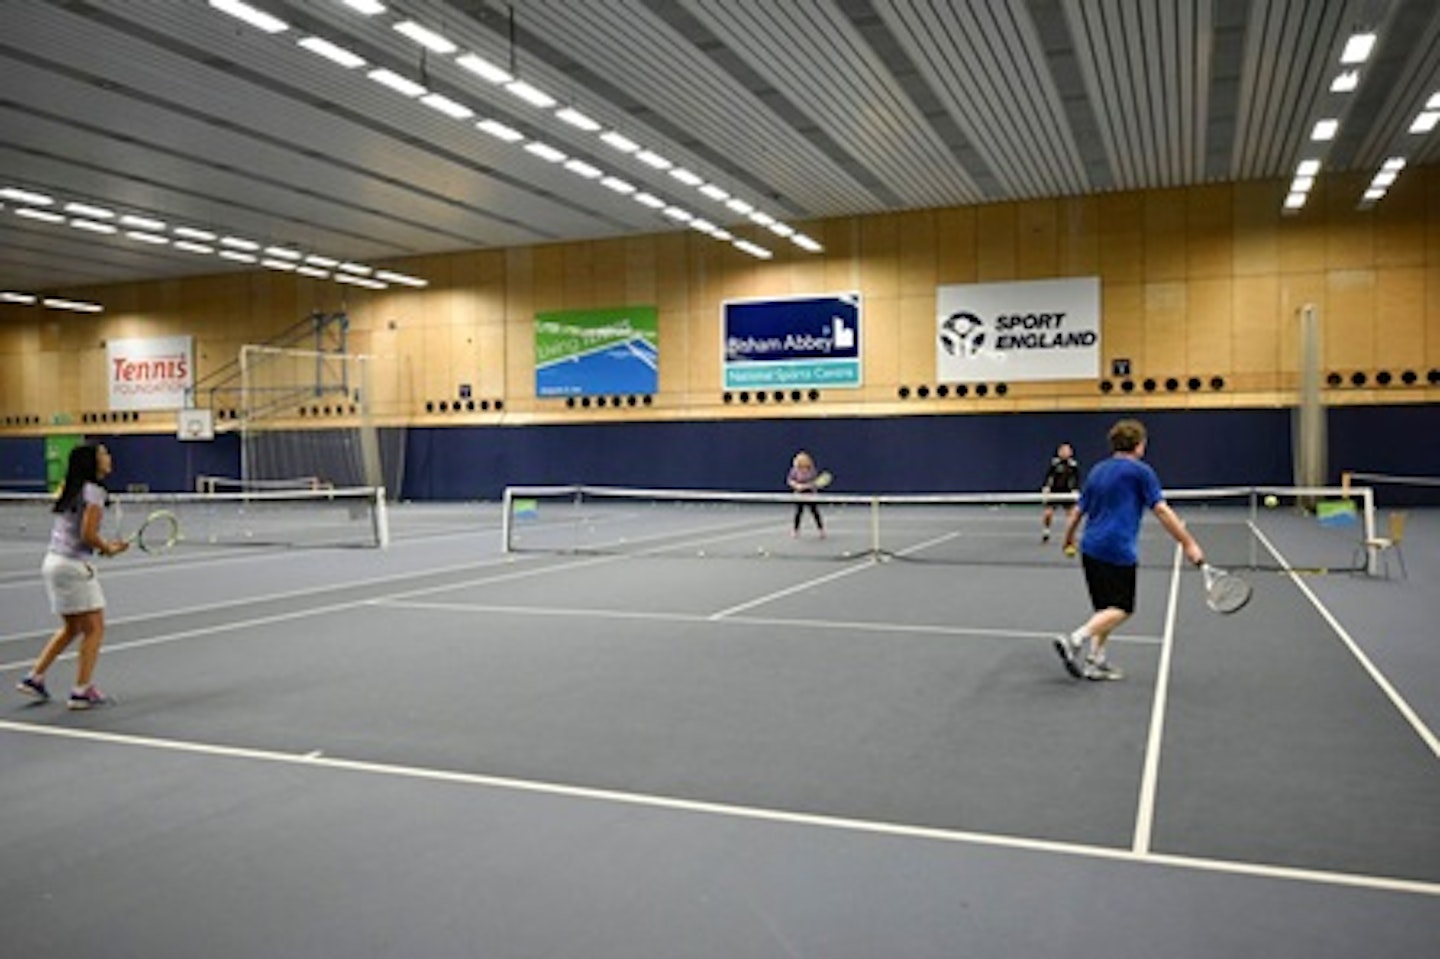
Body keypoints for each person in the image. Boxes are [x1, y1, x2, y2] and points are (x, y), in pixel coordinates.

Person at [1054, 420, 1204, 681]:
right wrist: (1188, 543)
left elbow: (1077, 511)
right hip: (1117, 549)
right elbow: (1161, 510)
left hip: (1090, 548)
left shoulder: (1098, 470)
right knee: (1123, 608)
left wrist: (1068, 539)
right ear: (1139, 445)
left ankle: (1095, 661)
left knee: (1105, 609)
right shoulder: (1141, 472)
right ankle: (1075, 640)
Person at [16, 443, 129, 709]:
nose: (108, 457)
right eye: (103, 454)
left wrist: (103, 547)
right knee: (95, 628)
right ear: (92, 461)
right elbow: (87, 534)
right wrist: (108, 548)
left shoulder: (73, 487)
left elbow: (81, 533)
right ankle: (81, 691)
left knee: (73, 627)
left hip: (53, 562)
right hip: (71, 566)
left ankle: (34, 678)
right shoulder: (95, 492)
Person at [1040, 442, 1080, 543]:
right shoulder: (1054, 464)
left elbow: (1075, 479)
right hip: (1054, 492)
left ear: (1070, 453)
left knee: (1071, 515)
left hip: (1067, 493)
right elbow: (1049, 477)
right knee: (1048, 513)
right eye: (1063, 450)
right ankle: (1046, 531)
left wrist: (1075, 490)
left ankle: (1070, 534)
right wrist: (1046, 488)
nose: (1065, 452)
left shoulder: (1073, 465)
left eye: (1067, 450)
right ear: (1059, 452)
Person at [787, 450, 826, 538]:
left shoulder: (812, 471)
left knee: (814, 512)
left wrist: (808, 486)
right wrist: (796, 485)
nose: (802, 462)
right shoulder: (794, 470)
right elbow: (790, 480)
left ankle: (821, 530)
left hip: (810, 494)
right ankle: (795, 531)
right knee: (798, 512)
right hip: (799, 494)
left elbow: (815, 482)